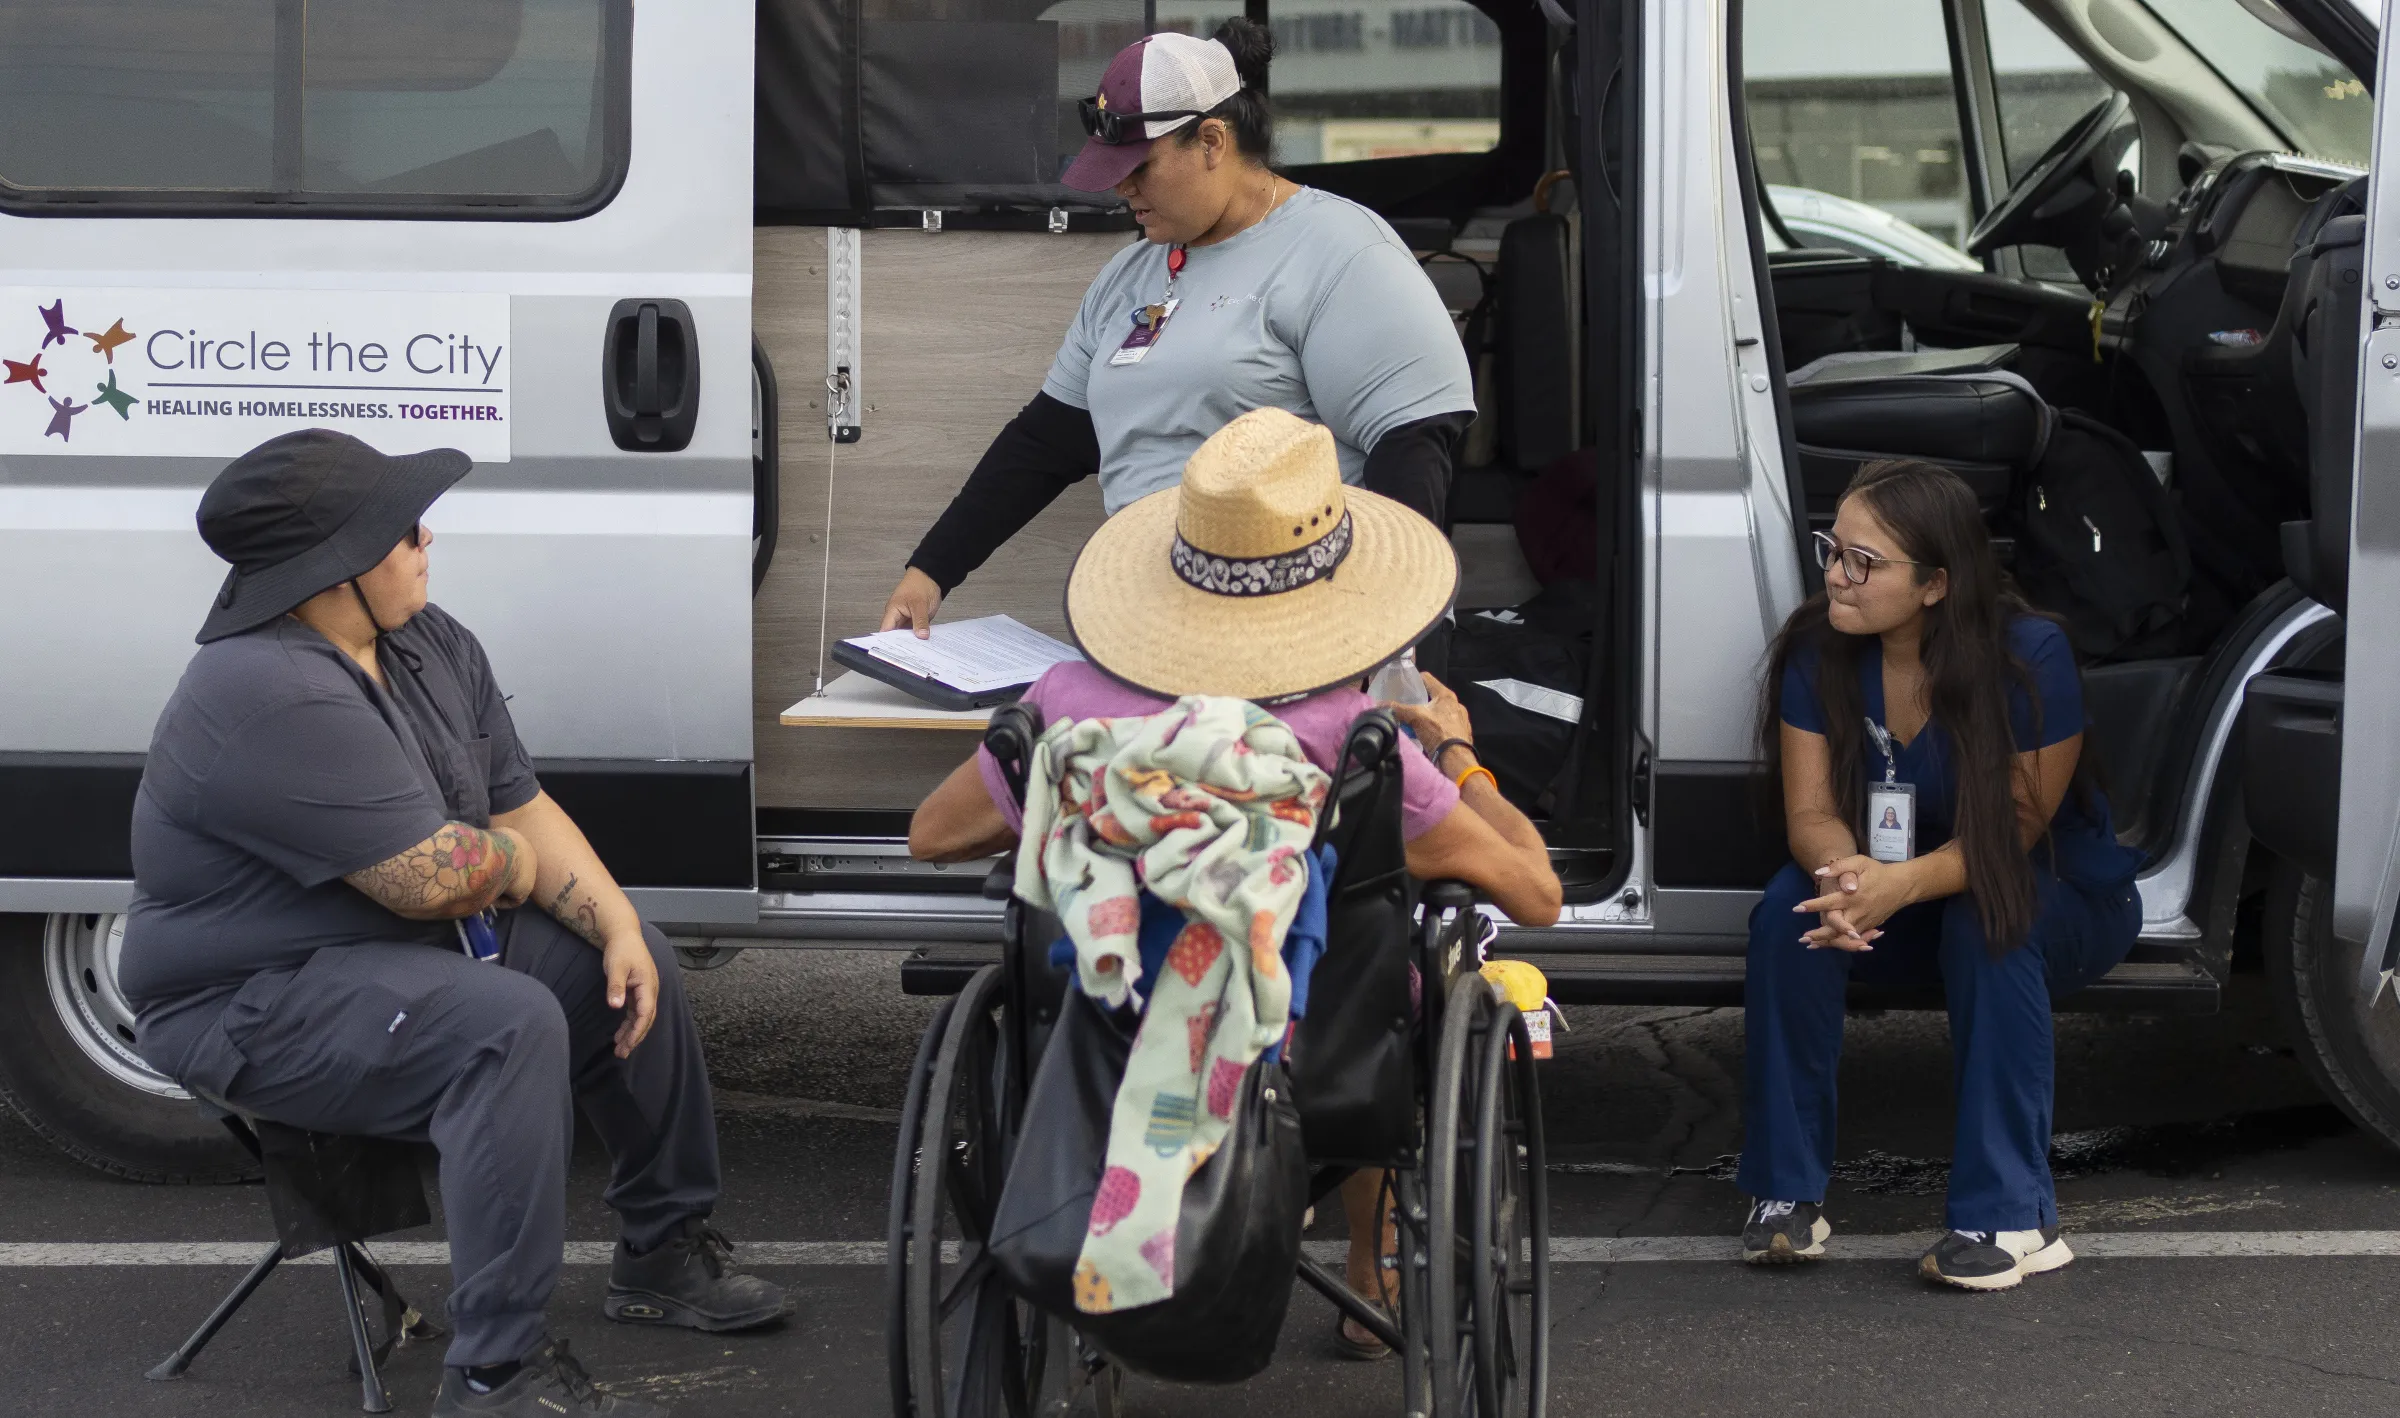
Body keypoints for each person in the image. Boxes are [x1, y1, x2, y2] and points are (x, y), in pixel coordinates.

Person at [119, 430, 786, 1418]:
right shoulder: (262, 687)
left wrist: (615, 924)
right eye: (398, 527)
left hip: (387, 955)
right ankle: (494, 1376)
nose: (426, 534)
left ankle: (662, 1253)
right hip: (251, 998)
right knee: (503, 1027)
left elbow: (519, 809)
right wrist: (516, 868)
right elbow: (431, 880)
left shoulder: (427, 641)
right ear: (332, 565)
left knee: (622, 967)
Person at [908, 407, 1561, 1356]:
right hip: (1322, 1057)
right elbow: (1535, 891)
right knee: (1377, 965)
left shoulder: (1066, 706)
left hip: (1095, 1027)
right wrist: (1458, 752)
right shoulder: (1353, 737)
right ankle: (1370, 1272)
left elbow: (931, 833)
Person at [878, 19, 1476, 639]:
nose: (1120, 188)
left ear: (1213, 142)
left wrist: (1400, 663)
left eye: (1140, 167)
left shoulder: (1342, 254)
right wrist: (930, 571)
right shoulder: (1128, 275)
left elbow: (1412, 459)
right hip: (1143, 631)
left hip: (1293, 632)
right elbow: (1046, 443)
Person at [1737, 459, 2143, 1291]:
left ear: (1933, 585)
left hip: (2051, 895)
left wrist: (1896, 886)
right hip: (1895, 896)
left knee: (1990, 920)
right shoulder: (1820, 649)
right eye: (1832, 550)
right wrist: (1844, 876)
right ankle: (1785, 1194)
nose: (1836, 577)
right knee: (1790, 910)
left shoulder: (2030, 654)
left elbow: (2013, 832)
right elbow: (1810, 810)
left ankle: (2014, 1216)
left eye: (1863, 561)